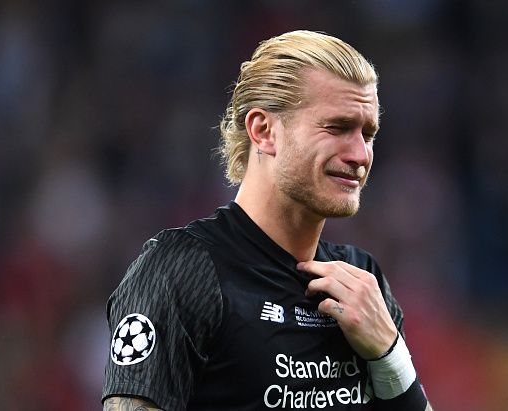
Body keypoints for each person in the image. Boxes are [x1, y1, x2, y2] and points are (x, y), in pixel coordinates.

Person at [102, 30, 433, 411]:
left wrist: (390, 355)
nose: (360, 155)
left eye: (368, 134)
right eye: (337, 128)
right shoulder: (180, 271)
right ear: (263, 131)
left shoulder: (361, 280)